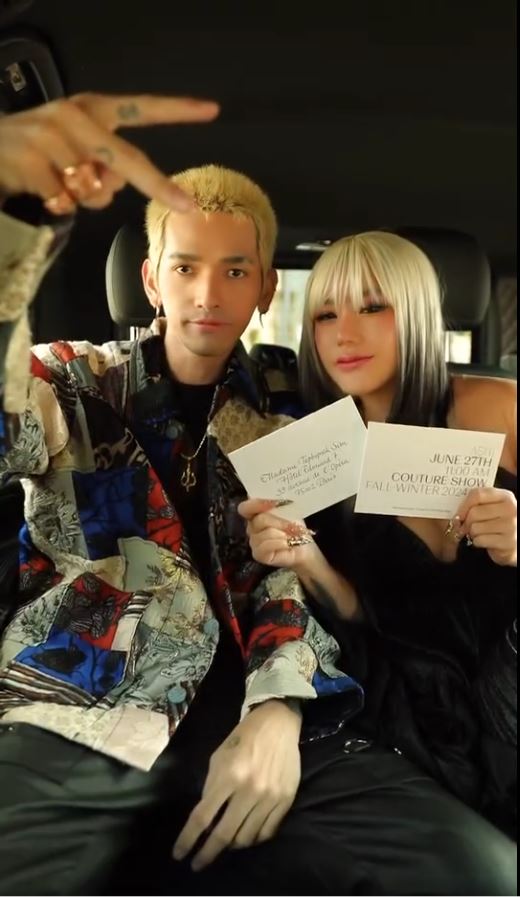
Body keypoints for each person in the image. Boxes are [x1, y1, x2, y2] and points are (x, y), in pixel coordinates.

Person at [0, 97, 515, 897]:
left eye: (235, 270)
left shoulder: (300, 401)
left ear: (267, 287)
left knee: (482, 874)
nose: (208, 292)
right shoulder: (68, 379)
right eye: (185, 267)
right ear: (151, 279)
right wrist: (14, 224)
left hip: (278, 706)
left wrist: (283, 701)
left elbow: (305, 571)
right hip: (84, 700)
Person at [240, 231, 518, 849]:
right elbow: (364, 616)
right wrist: (308, 562)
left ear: (416, 312)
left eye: (372, 307)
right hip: (415, 708)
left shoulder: (500, 407)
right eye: (325, 315)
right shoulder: (318, 451)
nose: (344, 333)